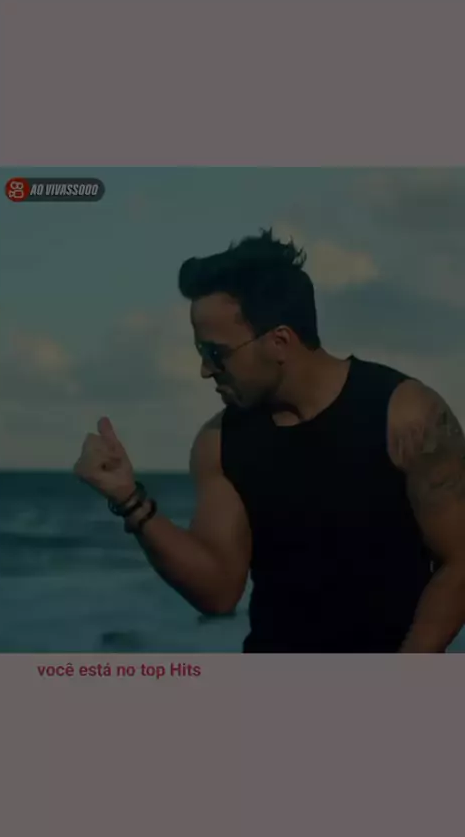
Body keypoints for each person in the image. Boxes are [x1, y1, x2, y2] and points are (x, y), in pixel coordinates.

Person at [74, 229, 465, 653]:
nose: (205, 370)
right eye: (200, 352)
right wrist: (130, 499)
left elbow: (460, 560)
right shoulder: (220, 443)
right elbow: (218, 592)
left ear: (280, 341)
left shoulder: (406, 415)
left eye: (216, 353)